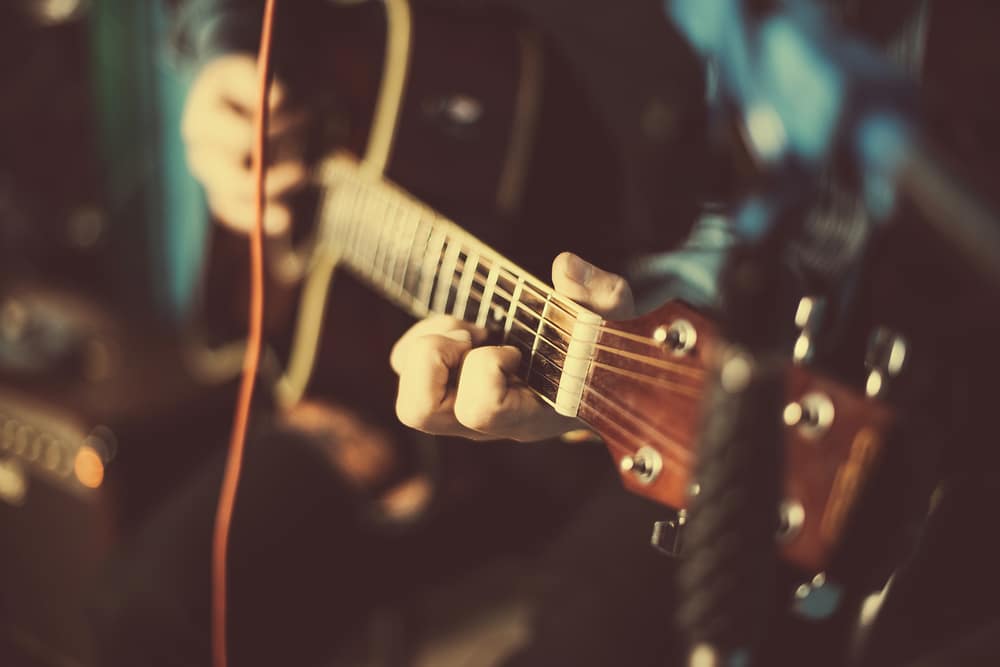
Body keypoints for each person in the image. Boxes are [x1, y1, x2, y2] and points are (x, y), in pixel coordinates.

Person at [93, 1, 710, 666]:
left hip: (632, 394)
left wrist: (669, 314)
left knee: (589, 634)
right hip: (369, 373)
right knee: (144, 611)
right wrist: (226, 53)